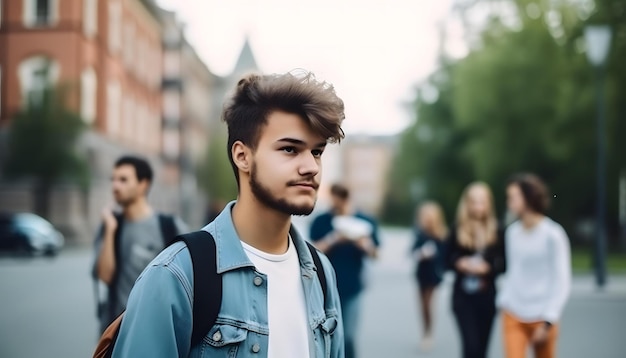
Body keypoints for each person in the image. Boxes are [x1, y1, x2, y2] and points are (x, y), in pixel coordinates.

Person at [110, 71, 346, 357]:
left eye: (317, 152)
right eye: (289, 149)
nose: (311, 166)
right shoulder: (177, 274)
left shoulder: (321, 271)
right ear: (242, 156)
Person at [92, 155, 187, 333]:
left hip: (155, 330)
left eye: (123, 180)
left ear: (143, 184)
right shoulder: (110, 226)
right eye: (113, 180)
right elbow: (104, 277)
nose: (115, 186)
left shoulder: (169, 227)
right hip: (115, 331)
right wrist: (110, 230)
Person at [497, 173, 571, 358]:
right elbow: (513, 271)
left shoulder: (553, 235)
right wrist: (504, 299)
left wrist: (548, 321)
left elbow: (562, 281)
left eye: (512, 197)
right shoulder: (512, 233)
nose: (509, 203)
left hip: (542, 317)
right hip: (513, 313)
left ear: (528, 197)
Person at [310, 183, 380, 358]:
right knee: (326, 334)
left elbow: (375, 254)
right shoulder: (322, 220)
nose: (337, 203)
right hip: (323, 286)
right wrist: (334, 239)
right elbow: (312, 251)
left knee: (348, 336)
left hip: (352, 286)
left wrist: (364, 244)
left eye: (342, 198)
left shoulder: (364, 221)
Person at [448, 182, 506, 358]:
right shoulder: (457, 228)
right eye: (474, 202)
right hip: (463, 297)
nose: (478, 206)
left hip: (487, 296)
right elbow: (445, 260)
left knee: (481, 349)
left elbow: (504, 264)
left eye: (482, 201)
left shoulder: (497, 230)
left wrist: (488, 269)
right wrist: (459, 263)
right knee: (470, 348)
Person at [411, 201, 448, 351]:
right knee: (422, 306)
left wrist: (434, 255)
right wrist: (421, 254)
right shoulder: (420, 234)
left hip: (434, 275)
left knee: (428, 304)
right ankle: (425, 331)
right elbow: (412, 251)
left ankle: (429, 333)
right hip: (421, 273)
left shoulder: (441, 235)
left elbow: (445, 256)